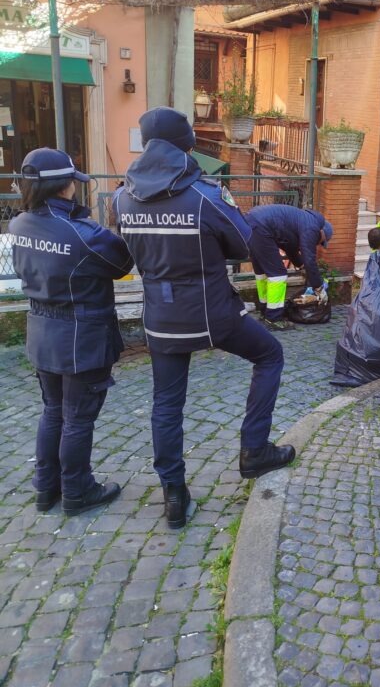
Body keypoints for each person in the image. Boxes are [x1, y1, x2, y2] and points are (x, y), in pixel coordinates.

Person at [114, 107, 294, 529]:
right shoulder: (205, 195)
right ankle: (255, 451)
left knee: (166, 403)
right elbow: (243, 244)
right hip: (213, 313)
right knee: (270, 356)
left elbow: (125, 247)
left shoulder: (123, 196)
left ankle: (174, 495)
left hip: (159, 314)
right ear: (187, 146)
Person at [9, 148, 133, 516]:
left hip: (42, 330)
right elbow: (122, 262)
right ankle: (78, 491)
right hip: (81, 334)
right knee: (78, 418)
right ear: (65, 187)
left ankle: (46, 489)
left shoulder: (18, 225)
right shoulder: (81, 233)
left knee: (52, 411)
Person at [245, 204, 333, 328]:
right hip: (261, 227)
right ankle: (274, 319)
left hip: (252, 221)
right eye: (321, 241)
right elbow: (310, 259)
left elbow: (291, 248)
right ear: (322, 233)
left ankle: (265, 311)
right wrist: (318, 287)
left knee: (263, 273)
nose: (319, 244)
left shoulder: (303, 221)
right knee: (278, 275)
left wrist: (301, 265)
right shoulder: (312, 228)